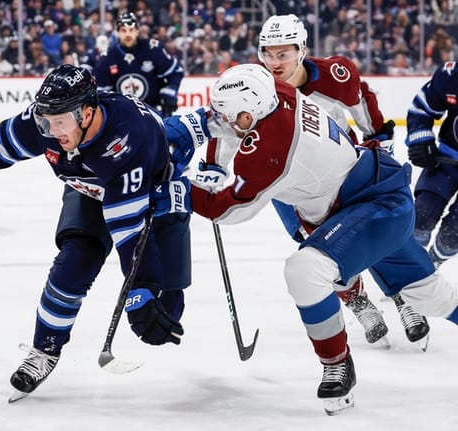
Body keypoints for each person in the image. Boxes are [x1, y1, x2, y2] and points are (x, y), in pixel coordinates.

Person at [185, 63, 458, 415]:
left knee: (306, 269)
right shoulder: (275, 91)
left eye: (230, 116)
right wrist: (207, 156)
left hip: (371, 207)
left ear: (250, 111)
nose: (222, 121)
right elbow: (227, 124)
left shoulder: (270, 149)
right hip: (373, 193)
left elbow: (224, 210)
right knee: (431, 296)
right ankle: (366, 306)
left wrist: (176, 187)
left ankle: (337, 362)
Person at [0, 64, 192, 402]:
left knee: (165, 305)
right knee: (72, 266)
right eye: (45, 120)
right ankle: (45, 350)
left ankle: (161, 292)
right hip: (89, 188)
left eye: (59, 122)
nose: (50, 130)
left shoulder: (124, 138)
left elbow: (129, 228)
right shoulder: (45, 121)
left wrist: (141, 290)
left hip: (154, 193)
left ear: (87, 113)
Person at [254, 14, 429, 347]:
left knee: (372, 233)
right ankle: (359, 303)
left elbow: (364, 104)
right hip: (292, 187)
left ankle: (405, 298)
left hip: (344, 175)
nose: (274, 62)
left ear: (302, 49)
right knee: (318, 249)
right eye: (267, 53)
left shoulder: (335, 75)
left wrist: (379, 141)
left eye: (283, 53)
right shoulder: (255, 89)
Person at [405, 61, 458, 267]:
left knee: (453, 234)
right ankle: (410, 269)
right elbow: (422, 106)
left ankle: (431, 264)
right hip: (448, 159)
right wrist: (421, 138)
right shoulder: (452, 74)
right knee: (422, 214)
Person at [94, 12, 185, 118]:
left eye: (131, 30)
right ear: (117, 33)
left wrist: (169, 93)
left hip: (154, 112)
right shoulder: (107, 58)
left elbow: (175, 72)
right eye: (123, 30)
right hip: (124, 118)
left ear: (137, 31)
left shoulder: (152, 49)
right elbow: (102, 94)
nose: (128, 34)